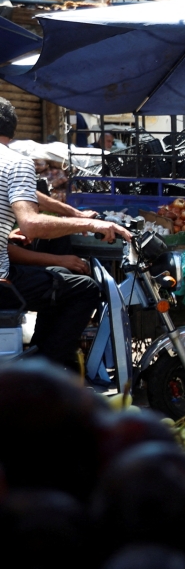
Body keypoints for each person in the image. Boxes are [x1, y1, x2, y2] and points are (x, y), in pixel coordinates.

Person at [0, 97, 131, 369]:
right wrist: (91, 224)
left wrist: (74, 214)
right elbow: (31, 225)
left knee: (58, 277)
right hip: (3, 282)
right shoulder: (14, 162)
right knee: (84, 289)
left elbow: (29, 194)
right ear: (12, 129)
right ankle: (45, 373)